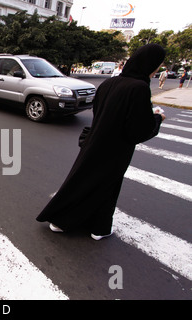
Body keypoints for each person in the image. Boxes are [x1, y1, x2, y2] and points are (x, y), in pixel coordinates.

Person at [36, 44, 166, 240]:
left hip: (94, 142)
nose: (157, 69)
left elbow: (100, 114)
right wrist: (157, 118)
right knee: (107, 186)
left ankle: (61, 221)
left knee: (81, 181)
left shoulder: (109, 83)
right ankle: (99, 228)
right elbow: (137, 130)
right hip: (116, 149)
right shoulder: (138, 88)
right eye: (157, 65)